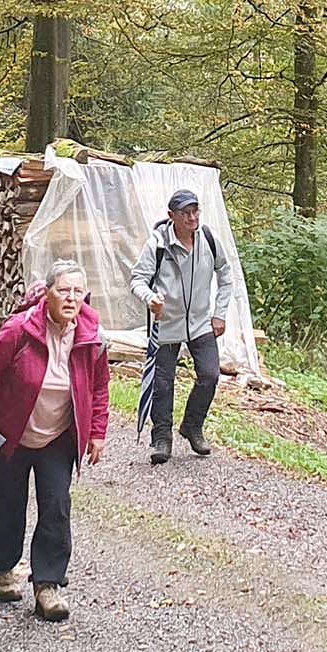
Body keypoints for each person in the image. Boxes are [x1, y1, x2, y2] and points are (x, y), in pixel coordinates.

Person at [0, 261, 111, 622]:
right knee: (8, 507)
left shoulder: (92, 337)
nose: (71, 298)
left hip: (57, 438)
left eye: (78, 292)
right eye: (63, 290)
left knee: (57, 507)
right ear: (47, 293)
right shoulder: (19, 331)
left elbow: (99, 387)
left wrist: (96, 432)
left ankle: (48, 584)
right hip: (9, 436)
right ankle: (3, 568)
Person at [128, 188, 236, 464]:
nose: (191, 217)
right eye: (185, 213)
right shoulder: (158, 244)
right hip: (166, 323)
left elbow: (226, 274)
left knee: (210, 375)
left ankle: (192, 426)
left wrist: (219, 313)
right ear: (171, 216)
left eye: (195, 211)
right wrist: (150, 298)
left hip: (201, 322)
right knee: (163, 383)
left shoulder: (209, 240)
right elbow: (137, 279)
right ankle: (161, 438)